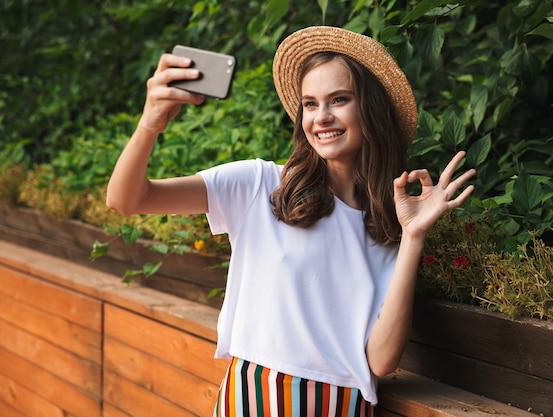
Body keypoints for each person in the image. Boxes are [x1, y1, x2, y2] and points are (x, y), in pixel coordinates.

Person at [107, 26, 475, 416]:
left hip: (343, 407)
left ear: (370, 109)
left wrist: (413, 236)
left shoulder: (387, 224)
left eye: (339, 99)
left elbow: (381, 362)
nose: (322, 117)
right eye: (311, 104)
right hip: (255, 399)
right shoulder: (259, 184)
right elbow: (128, 199)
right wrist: (151, 124)